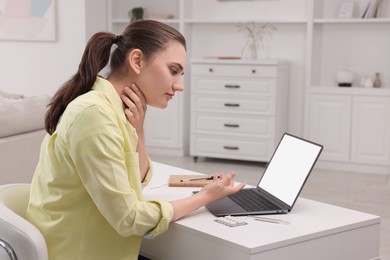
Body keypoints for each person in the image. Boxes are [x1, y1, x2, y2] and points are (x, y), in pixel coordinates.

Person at [26, 20, 245, 260]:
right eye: (173, 70)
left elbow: (136, 181)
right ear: (137, 60)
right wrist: (206, 197)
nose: (179, 86)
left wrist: (138, 131)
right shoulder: (93, 114)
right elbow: (128, 218)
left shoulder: (112, 108)